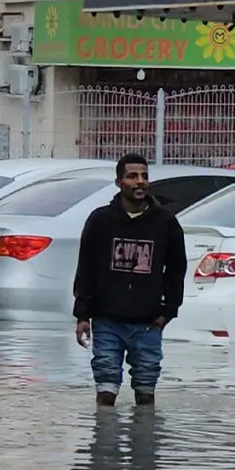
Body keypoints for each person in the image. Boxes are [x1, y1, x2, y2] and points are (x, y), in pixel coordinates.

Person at [72, 152, 188, 409]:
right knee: (106, 390)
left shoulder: (166, 223)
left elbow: (177, 269)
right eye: (132, 176)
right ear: (119, 182)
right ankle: (103, 445)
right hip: (107, 321)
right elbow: (86, 270)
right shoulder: (100, 221)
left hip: (148, 323)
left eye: (144, 176)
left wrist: (168, 312)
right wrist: (82, 315)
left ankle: (144, 441)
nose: (140, 182)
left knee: (145, 393)